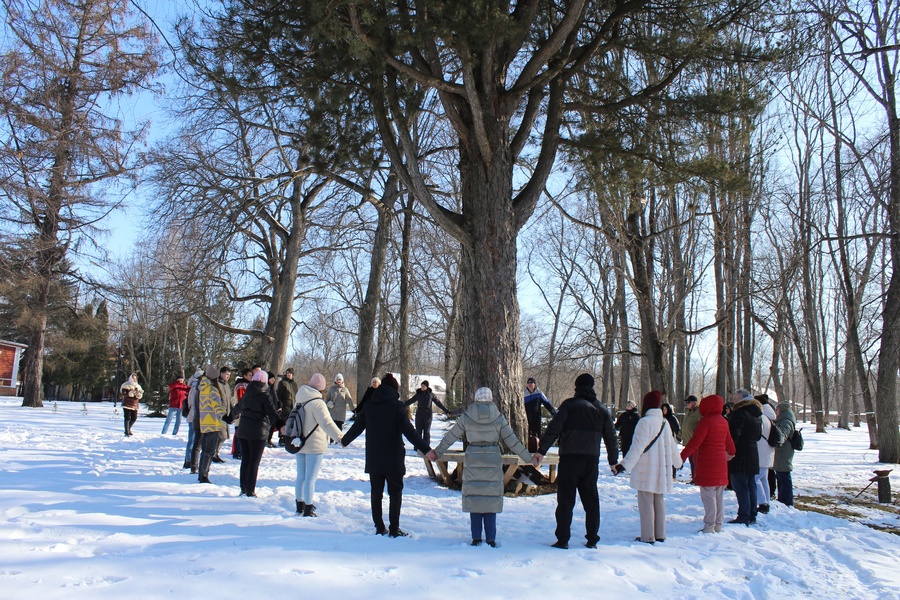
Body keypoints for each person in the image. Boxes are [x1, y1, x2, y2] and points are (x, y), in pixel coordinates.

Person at [427, 386, 533, 547]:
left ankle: (476, 537)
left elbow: (451, 436)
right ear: (490, 399)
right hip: (492, 459)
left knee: (475, 499)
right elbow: (512, 441)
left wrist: (437, 452)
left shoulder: (467, 417)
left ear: (476, 399)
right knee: (490, 499)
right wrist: (529, 458)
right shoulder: (498, 418)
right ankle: (491, 538)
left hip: (473, 459)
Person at [533, 373, 618, 550]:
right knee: (591, 501)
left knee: (565, 501)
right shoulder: (601, 410)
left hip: (570, 460)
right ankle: (592, 538)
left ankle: (563, 539)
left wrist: (541, 451)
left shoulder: (569, 406)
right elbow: (611, 437)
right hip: (591, 461)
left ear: (576, 387)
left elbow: (553, 429)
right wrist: (613, 461)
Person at [342, 373, 431, 538]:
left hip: (374, 457)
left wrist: (344, 440)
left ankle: (379, 527)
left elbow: (357, 427)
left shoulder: (369, 405)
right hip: (393, 458)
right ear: (394, 389)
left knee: (376, 492)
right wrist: (426, 450)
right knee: (395, 493)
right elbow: (410, 432)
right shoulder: (397, 406)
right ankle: (394, 529)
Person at [615, 390, 683, 544]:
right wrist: (678, 463)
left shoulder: (644, 422)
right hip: (661, 470)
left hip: (646, 469)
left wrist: (623, 466)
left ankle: (647, 536)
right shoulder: (665, 423)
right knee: (659, 501)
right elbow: (672, 446)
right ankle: (660, 534)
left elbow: (637, 448)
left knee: (646, 503)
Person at [679, 394, 735, 533]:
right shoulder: (724, 421)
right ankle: (718, 524)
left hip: (707, 464)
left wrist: (682, 457)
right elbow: (731, 446)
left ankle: (709, 526)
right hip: (721, 464)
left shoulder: (706, 421)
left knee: (708, 496)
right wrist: (730, 454)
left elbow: (695, 442)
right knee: (718, 496)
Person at [294, 373, 344, 517]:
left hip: (299, 442)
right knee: (311, 477)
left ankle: (300, 505)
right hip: (314, 444)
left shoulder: (299, 399)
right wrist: (340, 437)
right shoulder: (318, 403)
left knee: (301, 476)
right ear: (321, 388)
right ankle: (308, 508)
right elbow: (327, 423)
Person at [235, 370, 283, 497]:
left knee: (245, 460)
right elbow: (272, 413)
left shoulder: (247, 394)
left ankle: (243, 488)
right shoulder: (264, 395)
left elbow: (237, 408)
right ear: (264, 382)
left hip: (243, 431)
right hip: (258, 432)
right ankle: (250, 490)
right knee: (254, 462)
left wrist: (229, 417)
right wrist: (281, 425)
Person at [727, 394, 762, 525]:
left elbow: (733, 435)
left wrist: (729, 450)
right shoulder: (756, 414)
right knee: (750, 484)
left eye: (735, 397)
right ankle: (751, 513)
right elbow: (758, 436)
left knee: (741, 486)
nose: (733, 399)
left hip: (740, 454)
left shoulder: (739, 414)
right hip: (752, 452)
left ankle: (744, 515)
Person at [197, 364, 228, 484]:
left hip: (204, 422)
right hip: (213, 423)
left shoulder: (202, 388)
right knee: (210, 451)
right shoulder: (212, 390)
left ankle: (201, 473)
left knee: (204, 450)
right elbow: (217, 407)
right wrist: (224, 416)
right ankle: (204, 475)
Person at [404, 379, 450, 447]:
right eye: (422, 386)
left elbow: (438, 403)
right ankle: (417, 447)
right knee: (418, 431)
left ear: (427, 387)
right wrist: (401, 404)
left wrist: (446, 411)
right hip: (419, 414)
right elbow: (410, 401)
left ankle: (426, 447)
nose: (422, 387)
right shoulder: (418, 394)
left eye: (424, 386)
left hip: (427, 414)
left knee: (427, 431)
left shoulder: (431, 395)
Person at [771, 401, 797, 506]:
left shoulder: (785, 421)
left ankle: (786, 501)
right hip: (782, 451)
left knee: (784, 476)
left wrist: (776, 439)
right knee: (781, 476)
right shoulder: (784, 419)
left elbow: (783, 435)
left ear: (781, 411)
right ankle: (783, 499)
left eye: (777, 410)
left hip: (784, 452)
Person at [755, 396, 776, 515]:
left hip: (761, 451)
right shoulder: (769, 415)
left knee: (756, 478)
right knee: (763, 479)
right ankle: (766, 501)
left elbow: (757, 435)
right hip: (767, 451)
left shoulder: (762, 417)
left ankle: (763, 503)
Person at [212, 366, 233, 463]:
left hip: (226, 412)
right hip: (218, 414)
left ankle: (215, 453)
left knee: (223, 436)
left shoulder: (227, 385)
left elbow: (229, 399)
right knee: (222, 435)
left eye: (229, 374)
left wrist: (233, 409)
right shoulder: (217, 384)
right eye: (226, 374)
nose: (228, 376)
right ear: (221, 374)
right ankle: (213, 453)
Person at [230, 368, 253, 459]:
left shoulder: (248, 385)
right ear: (245, 376)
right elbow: (241, 400)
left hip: (245, 412)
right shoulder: (241, 385)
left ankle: (241, 451)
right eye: (250, 375)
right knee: (239, 432)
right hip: (241, 413)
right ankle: (237, 451)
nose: (251, 377)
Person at [183, 369, 203, 470]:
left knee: (192, 439)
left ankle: (188, 460)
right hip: (194, 416)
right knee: (193, 439)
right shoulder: (196, 387)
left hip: (192, 415)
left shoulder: (192, 386)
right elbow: (195, 404)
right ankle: (189, 460)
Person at [680, 395, 701, 482]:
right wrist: (679, 434)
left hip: (694, 441)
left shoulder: (698, 412)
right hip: (687, 440)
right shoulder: (688, 412)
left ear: (694, 402)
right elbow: (685, 425)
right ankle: (694, 476)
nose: (687, 404)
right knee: (691, 460)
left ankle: (696, 477)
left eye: (688, 402)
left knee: (695, 460)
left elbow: (701, 425)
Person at [276, 368, 299, 446]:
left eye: (290, 373)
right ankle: (282, 438)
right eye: (287, 373)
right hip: (285, 405)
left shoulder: (294, 384)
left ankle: (289, 437)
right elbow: (278, 395)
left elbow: (297, 395)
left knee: (291, 423)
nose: (288, 374)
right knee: (284, 422)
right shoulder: (282, 383)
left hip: (293, 406)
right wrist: (279, 405)